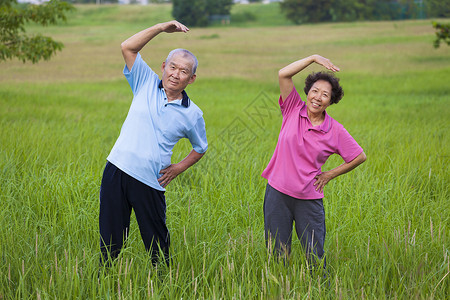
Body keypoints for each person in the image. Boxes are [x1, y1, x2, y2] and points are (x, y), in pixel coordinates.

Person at [99, 21, 208, 266]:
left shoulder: (193, 114)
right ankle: (104, 281)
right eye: (172, 67)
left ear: (191, 79)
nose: (175, 74)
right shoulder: (144, 82)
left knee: (157, 245)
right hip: (116, 170)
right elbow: (128, 47)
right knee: (110, 241)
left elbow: (200, 147)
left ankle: (163, 285)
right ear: (163, 67)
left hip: (151, 180)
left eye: (183, 71)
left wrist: (179, 167)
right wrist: (160, 28)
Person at [261, 55, 366, 269]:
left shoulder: (334, 130)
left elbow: (359, 156)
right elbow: (284, 74)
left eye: (325, 95)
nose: (318, 97)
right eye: (315, 91)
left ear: (331, 101)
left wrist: (329, 175)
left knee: (315, 256)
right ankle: (281, 288)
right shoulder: (292, 108)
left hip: (307, 199)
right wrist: (313, 58)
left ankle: (321, 289)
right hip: (277, 194)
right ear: (307, 92)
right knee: (277, 254)